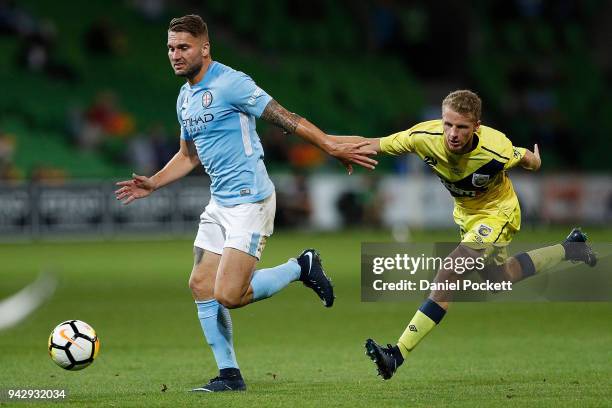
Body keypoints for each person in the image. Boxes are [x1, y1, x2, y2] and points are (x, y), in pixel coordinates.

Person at [114, 14, 377, 392]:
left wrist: (330, 145)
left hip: (250, 200)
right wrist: (154, 182)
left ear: (205, 48)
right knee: (201, 284)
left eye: (183, 47)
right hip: (219, 203)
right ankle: (229, 375)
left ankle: (300, 267)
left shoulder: (231, 83)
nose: (175, 54)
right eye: (171, 48)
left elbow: (285, 118)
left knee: (229, 295)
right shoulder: (185, 97)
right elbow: (189, 154)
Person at [329, 89, 597, 380]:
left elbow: (524, 158)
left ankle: (397, 354)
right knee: (499, 278)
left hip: (498, 212)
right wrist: (328, 144)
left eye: (462, 127)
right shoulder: (423, 137)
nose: (452, 133)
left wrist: (536, 161)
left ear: (476, 127)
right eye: (448, 124)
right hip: (467, 216)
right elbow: (373, 144)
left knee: (450, 271)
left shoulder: (496, 148)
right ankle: (571, 248)